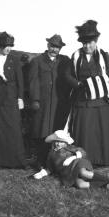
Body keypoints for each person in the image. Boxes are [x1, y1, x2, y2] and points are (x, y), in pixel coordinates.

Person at [64, 20, 109, 165]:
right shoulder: (76, 57)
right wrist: (78, 84)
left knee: (101, 130)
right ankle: (83, 158)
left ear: (96, 41)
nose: (87, 46)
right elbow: (67, 75)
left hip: (101, 101)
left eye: (90, 43)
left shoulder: (104, 57)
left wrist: (98, 83)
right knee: (84, 130)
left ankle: (101, 159)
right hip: (82, 100)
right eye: (84, 43)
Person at [28, 34, 72, 179]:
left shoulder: (65, 61)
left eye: (57, 47)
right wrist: (35, 99)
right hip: (43, 104)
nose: (54, 49)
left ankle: (56, 162)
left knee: (57, 132)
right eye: (52, 46)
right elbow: (33, 82)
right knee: (41, 131)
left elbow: (69, 78)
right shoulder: (37, 61)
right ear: (48, 46)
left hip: (60, 103)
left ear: (60, 48)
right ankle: (40, 162)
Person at [0, 31, 27, 168]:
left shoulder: (15, 60)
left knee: (13, 129)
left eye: (11, 46)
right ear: (0, 46)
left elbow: (20, 81)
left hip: (11, 99)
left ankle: (15, 162)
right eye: (7, 46)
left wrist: (20, 98)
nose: (9, 48)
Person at [36, 130, 109, 189]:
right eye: (56, 141)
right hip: (68, 173)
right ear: (53, 142)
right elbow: (50, 168)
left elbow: (82, 152)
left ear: (65, 143)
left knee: (83, 173)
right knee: (81, 185)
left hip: (77, 163)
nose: (58, 143)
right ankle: (105, 185)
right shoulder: (51, 155)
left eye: (61, 142)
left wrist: (73, 157)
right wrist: (41, 174)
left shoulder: (69, 148)